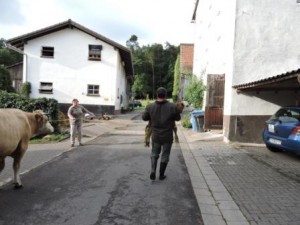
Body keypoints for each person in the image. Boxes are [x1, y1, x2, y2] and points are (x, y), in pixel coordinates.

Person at [142, 87, 181, 181]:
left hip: (155, 135)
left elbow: (144, 118)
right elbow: (178, 118)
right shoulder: (172, 106)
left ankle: (153, 170)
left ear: (157, 95)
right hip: (167, 135)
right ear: (166, 95)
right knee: (165, 155)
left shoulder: (150, 106)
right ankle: (161, 175)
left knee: (154, 153)